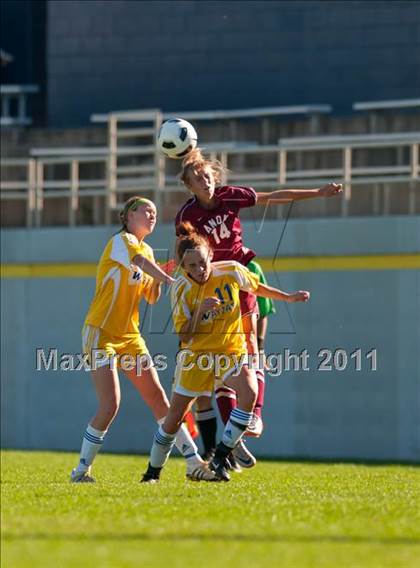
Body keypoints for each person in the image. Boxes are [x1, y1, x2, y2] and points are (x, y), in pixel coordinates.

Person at [172, 149, 342, 465]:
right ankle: (232, 438)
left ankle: (250, 418)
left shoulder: (229, 196)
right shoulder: (186, 215)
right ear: (189, 186)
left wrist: (317, 193)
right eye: (197, 179)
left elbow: (274, 196)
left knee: (251, 349)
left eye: (207, 176)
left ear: (215, 177)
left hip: (239, 277)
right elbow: (183, 253)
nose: (205, 181)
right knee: (221, 366)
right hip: (212, 286)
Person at [141, 222, 310, 483]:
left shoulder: (231, 270)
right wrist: (200, 311)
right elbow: (185, 335)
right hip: (197, 356)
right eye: (192, 266)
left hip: (230, 350)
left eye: (202, 262)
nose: (199, 270)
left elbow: (256, 288)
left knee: (249, 392)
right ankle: (152, 472)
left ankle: (220, 456)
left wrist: (287, 297)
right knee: (173, 419)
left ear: (210, 255)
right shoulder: (180, 288)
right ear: (183, 268)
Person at [70, 196, 216, 483]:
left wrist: (163, 277)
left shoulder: (148, 250)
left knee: (161, 401)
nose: (152, 215)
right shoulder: (121, 241)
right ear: (128, 216)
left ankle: (193, 462)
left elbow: (151, 295)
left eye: (155, 212)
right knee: (110, 404)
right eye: (146, 210)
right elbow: (137, 261)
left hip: (129, 336)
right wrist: (168, 277)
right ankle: (81, 471)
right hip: (100, 331)